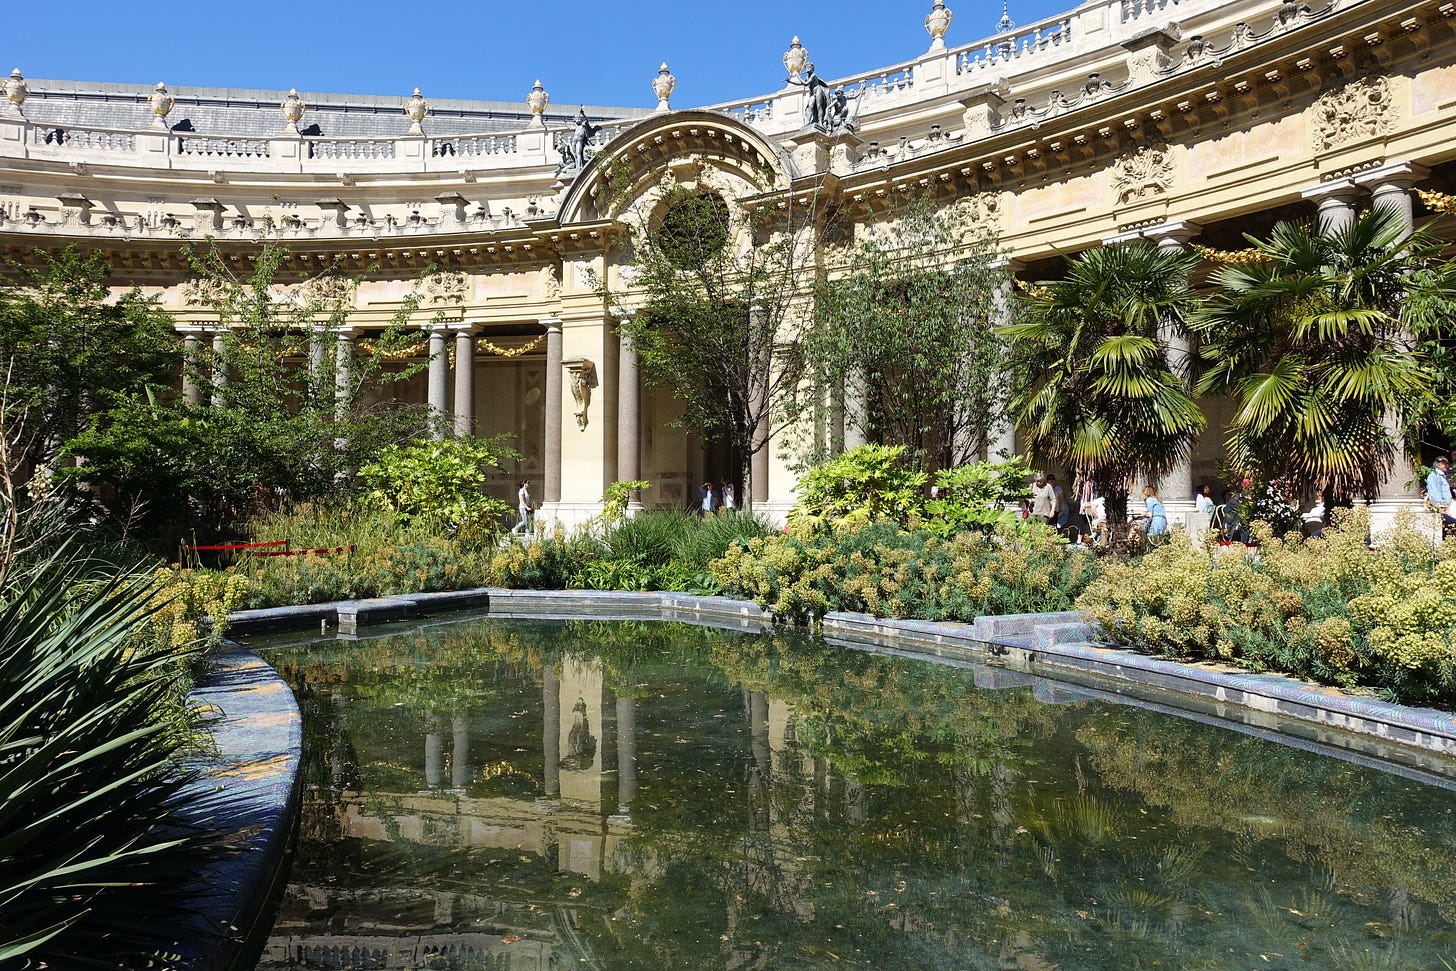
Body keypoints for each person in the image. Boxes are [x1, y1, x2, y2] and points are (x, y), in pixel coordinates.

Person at [1428, 457, 1455, 536]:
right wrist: (1439, 508)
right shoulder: (1434, 476)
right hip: (1442, 509)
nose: (1447, 465)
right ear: (1437, 464)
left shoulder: (1445, 476)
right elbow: (1434, 493)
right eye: (1444, 463)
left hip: (1449, 509)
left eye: (1447, 463)